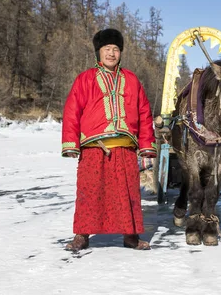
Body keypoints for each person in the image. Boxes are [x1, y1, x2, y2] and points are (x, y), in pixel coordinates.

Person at [61, 28, 157, 251]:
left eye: (115, 49)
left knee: (127, 195)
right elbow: (72, 111)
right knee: (90, 194)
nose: (111, 54)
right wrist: (70, 143)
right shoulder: (84, 79)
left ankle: (131, 236)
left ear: (120, 53)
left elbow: (144, 113)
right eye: (107, 49)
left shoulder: (131, 80)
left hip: (125, 148)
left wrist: (146, 145)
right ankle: (82, 235)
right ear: (99, 52)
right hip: (93, 148)